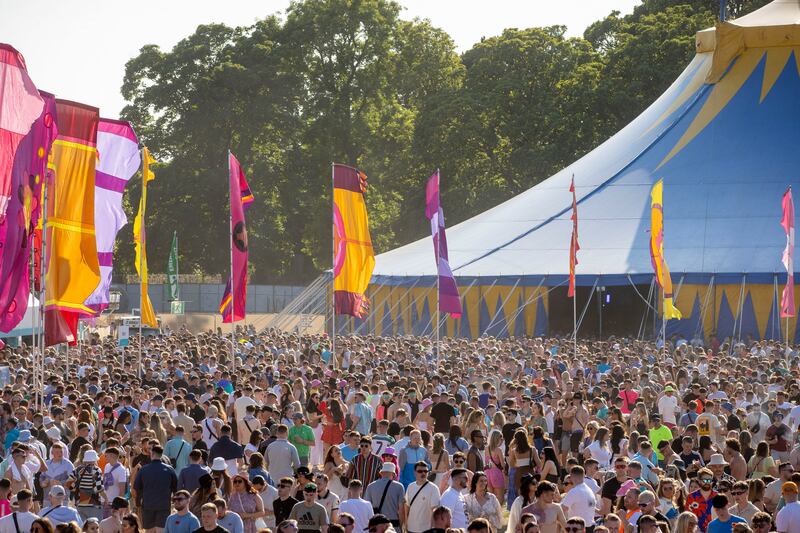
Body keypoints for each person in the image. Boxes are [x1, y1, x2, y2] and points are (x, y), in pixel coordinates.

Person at [133, 445, 178, 533]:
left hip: (148, 505)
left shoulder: (144, 469)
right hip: (164, 505)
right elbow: (175, 488)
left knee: (149, 530)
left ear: (151, 454)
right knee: (161, 529)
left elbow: (136, 487)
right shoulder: (170, 469)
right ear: (161, 455)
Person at [68, 450, 106, 523]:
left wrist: (77, 490)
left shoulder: (77, 469)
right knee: (95, 527)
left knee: (83, 528)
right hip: (94, 504)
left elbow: (69, 484)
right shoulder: (97, 470)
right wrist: (106, 499)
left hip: (80, 504)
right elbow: (99, 488)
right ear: (95, 460)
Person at [364, 463, 404, 529]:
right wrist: (402, 527)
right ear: (393, 474)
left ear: (381, 473)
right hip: (393, 525)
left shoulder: (371, 486)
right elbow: (401, 510)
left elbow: (367, 508)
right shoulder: (399, 486)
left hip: (376, 526)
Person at [404, 462, 440, 533]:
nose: (423, 473)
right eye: (420, 471)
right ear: (415, 472)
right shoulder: (410, 486)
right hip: (411, 528)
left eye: (425, 471)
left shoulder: (433, 488)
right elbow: (406, 507)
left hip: (426, 529)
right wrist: (405, 523)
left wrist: (433, 528)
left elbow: (435, 509)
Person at [561, 466, 596, 530]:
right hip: (589, 527)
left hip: (579, 528)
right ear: (584, 475)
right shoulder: (589, 490)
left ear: (571, 476)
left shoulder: (574, 491)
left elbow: (562, 509)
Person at [686, 468, 717, 533]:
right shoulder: (691, 497)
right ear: (699, 480)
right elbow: (688, 517)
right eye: (705, 480)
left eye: (709, 480)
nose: (707, 483)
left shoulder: (718, 496)